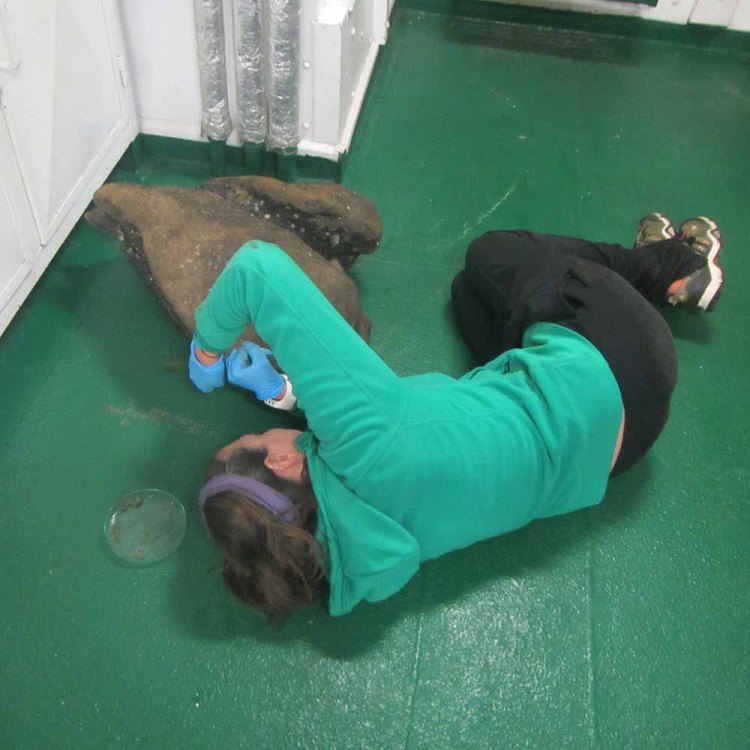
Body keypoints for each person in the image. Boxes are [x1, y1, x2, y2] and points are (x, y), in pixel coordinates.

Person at [187, 213, 724, 621]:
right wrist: (207, 350)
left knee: (468, 297)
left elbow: (350, 465)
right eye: (254, 435)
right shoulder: (367, 436)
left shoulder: (356, 555)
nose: (263, 431)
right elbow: (257, 269)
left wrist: (284, 393)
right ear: (280, 462)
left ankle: (643, 277)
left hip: (616, 454)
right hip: (627, 359)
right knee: (490, 252)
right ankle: (670, 263)